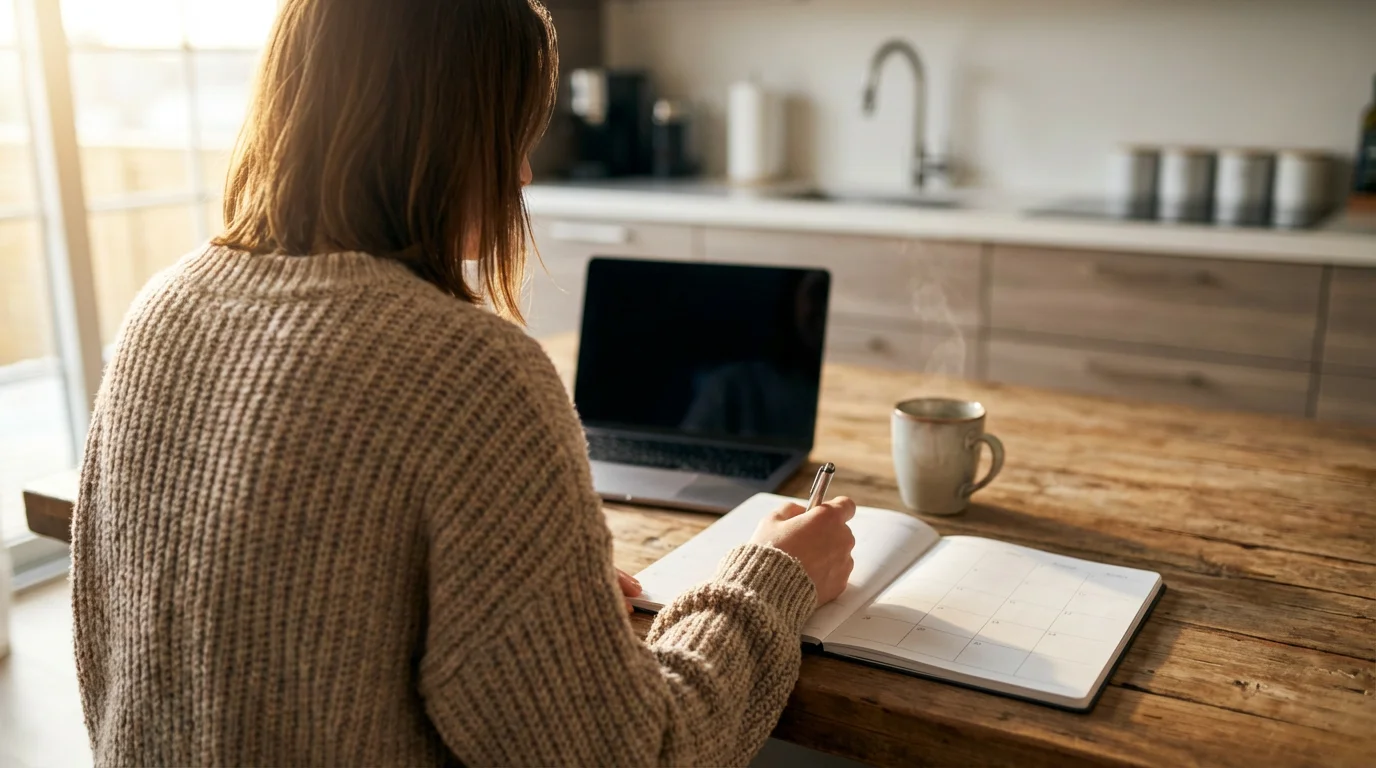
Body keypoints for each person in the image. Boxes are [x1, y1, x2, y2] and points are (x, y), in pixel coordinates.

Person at [69, 0, 857, 765]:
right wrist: (775, 575)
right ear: (435, 131)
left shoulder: (159, 310)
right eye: (508, 135)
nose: (522, 174)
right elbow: (640, 754)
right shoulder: (469, 374)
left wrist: (546, 611)